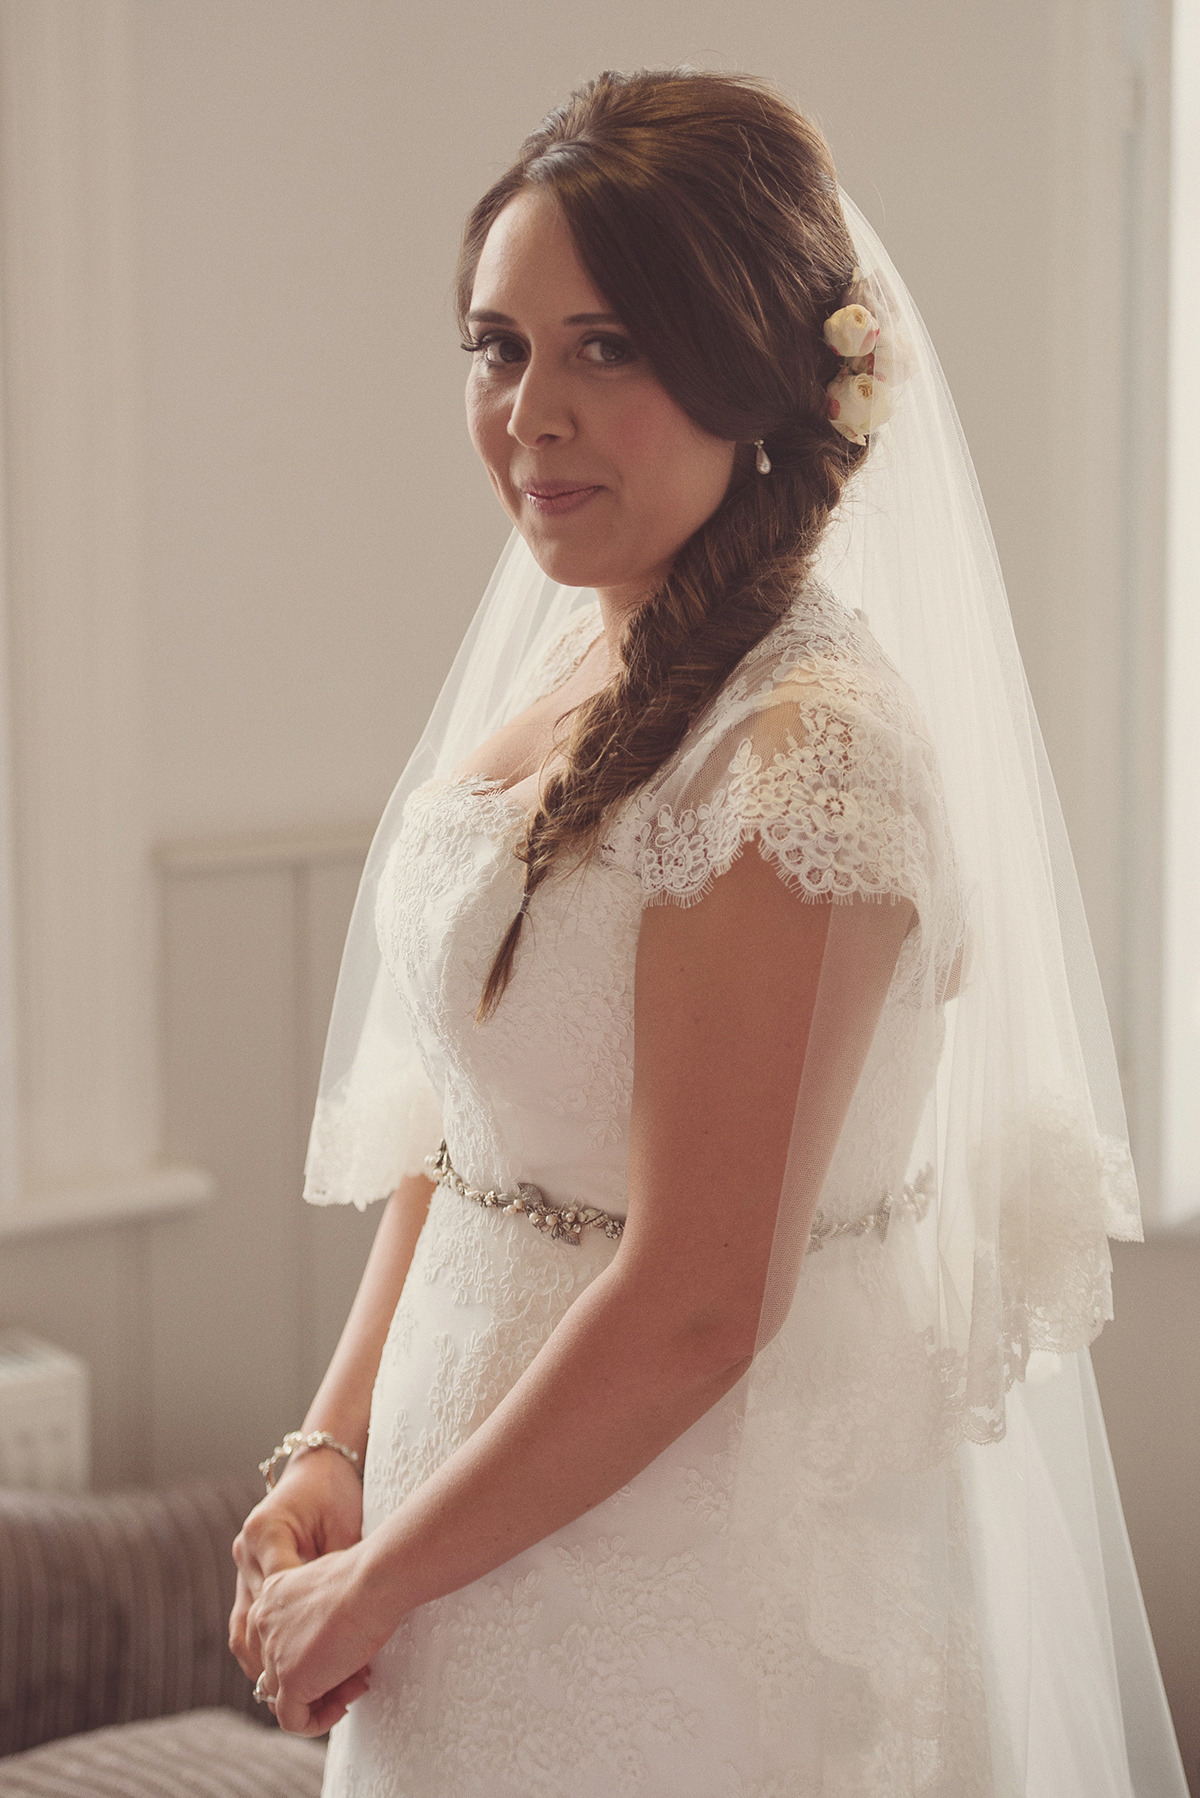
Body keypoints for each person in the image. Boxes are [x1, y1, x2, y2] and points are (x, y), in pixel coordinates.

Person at [228, 69, 1188, 1798]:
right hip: (464, 1556)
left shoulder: (808, 751)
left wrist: (383, 1574)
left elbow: (699, 1298)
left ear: (753, 366)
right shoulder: (570, 663)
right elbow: (468, 1121)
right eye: (498, 345)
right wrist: (334, 1443)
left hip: (688, 1582)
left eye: (606, 346)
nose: (532, 411)